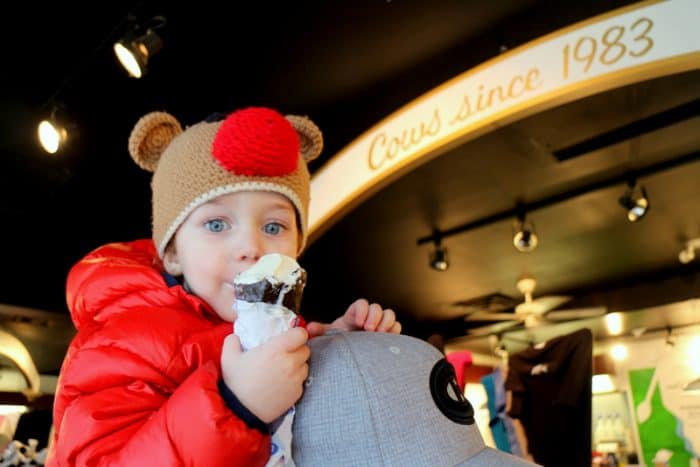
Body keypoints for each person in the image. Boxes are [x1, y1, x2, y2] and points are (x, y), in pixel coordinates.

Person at [48, 107, 401, 466]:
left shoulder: (284, 334)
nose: (251, 248)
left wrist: (332, 351)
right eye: (216, 224)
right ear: (171, 253)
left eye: (274, 226)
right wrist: (236, 406)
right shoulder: (121, 343)